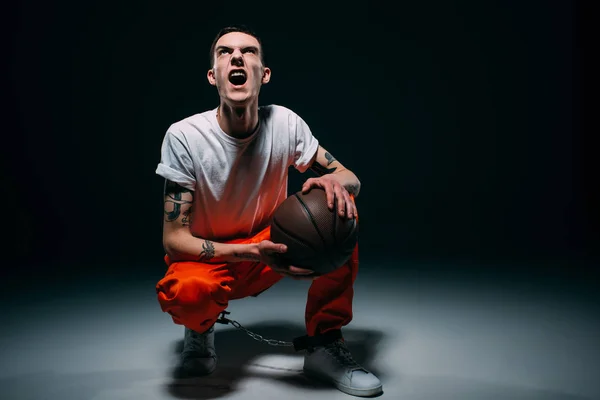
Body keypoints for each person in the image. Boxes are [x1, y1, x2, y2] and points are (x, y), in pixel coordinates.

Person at [154, 25, 383, 397]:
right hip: (211, 257)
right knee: (188, 291)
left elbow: (350, 177)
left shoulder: (285, 123)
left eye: (249, 51)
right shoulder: (184, 136)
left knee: (337, 214)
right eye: (225, 52)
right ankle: (199, 330)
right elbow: (175, 239)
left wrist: (335, 183)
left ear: (264, 73)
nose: (237, 57)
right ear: (213, 76)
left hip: (272, 247)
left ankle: (325, 345)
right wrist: (248, 252)